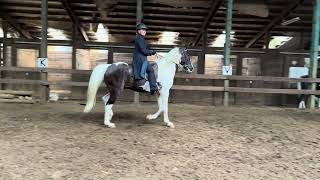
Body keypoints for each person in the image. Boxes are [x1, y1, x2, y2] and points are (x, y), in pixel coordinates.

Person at [132, 23, 160, 95]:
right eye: (143, 29)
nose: (145, 31)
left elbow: (147, 47)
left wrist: (154, 51)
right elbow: (144, 51)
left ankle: (148, 84)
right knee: (151, 70)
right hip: (140, 59)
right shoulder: (140, 39)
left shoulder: (140, 38)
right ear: (138, 31)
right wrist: (152, 52)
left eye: (145, 30)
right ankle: (153, 87)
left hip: (140, 58)